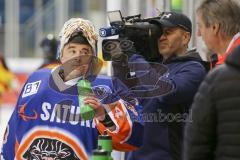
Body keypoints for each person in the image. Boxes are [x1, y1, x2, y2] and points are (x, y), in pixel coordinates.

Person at [1, 18, 143, 160]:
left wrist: (104, 116)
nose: (77, 57)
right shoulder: (37, 79)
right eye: (72, 50)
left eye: (84, 51)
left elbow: (134, 138)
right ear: (61, 55)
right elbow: (13, 134)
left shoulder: (107, 89)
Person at [124, 12, 206, 160]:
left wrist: (135, 59)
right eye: (159, 33)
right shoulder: (151, 68)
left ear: (186, 37)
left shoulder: (193, 68)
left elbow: (166, 92)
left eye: (168, 33)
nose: (161, 37)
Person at [183, 0, 240, 159]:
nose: (199, 34)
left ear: (215, 27)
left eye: (200, 26)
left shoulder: (225, 72)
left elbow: (198, 140)